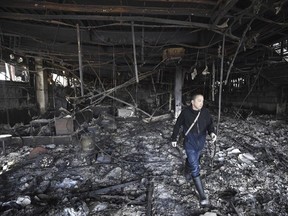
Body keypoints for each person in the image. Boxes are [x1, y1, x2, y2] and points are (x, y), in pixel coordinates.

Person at [171, 93, 217, 206]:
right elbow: (177, 125)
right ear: (192, 102)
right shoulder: (186, 113)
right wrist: (174, 138)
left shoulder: (205, 112)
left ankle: (186, 171)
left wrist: (212, 133)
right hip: (189, 143)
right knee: (195, 167)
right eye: (199, 101)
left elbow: (210, 124)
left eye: (202, 101)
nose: (201, 103)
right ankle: (202, 196)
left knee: (193, 160)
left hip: (200, 143)